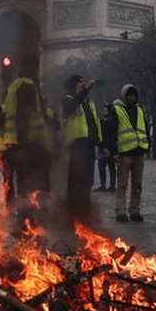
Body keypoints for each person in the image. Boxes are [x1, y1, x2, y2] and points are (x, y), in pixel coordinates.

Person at [0, 54, 52, 231]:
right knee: (28, 184)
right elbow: (24, 117)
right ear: (33, 69)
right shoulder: (28, 86)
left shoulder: (14, 86)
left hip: (16, 144)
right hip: (27, 145)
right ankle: (26, 221)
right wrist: (27, 144)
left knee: (23, 185)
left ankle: (24, 219)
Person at [61, 74, 103, 224]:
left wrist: (100, 142)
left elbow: (94, 122)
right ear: (74, 84)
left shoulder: (88, 101)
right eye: (80, 82)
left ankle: (85, 209)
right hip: (76, 143)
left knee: (88, 179)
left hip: (89, 143)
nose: (83, 84)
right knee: (76, 179)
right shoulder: (68, 98)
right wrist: (84, 91)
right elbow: (70, 109)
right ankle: (71, 211)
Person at [105, 84, 149, 222]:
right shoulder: (116, 110)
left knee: (137, 185)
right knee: (122, 184)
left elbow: (145, 129)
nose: (132, 98)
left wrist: (147, 146)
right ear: (125, 96)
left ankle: (135, 210)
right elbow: (111, 132)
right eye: (129, 95)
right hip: (124, 153)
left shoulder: (140, 111)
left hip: (139, 152)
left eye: (134, 95)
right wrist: (114, 151)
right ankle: (120, 211)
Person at [95, 103, 117, 192]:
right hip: (104, 149)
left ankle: (112, 185)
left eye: (105, 110)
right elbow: (99, 136)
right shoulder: (101, 122)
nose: (104, 112)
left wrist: (110, 149)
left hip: (111, 149)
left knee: (112, 167)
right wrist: (103, 148)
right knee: (101, 166)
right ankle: (103, 185)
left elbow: (114, 137)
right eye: (103, 110)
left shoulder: (113, 123)